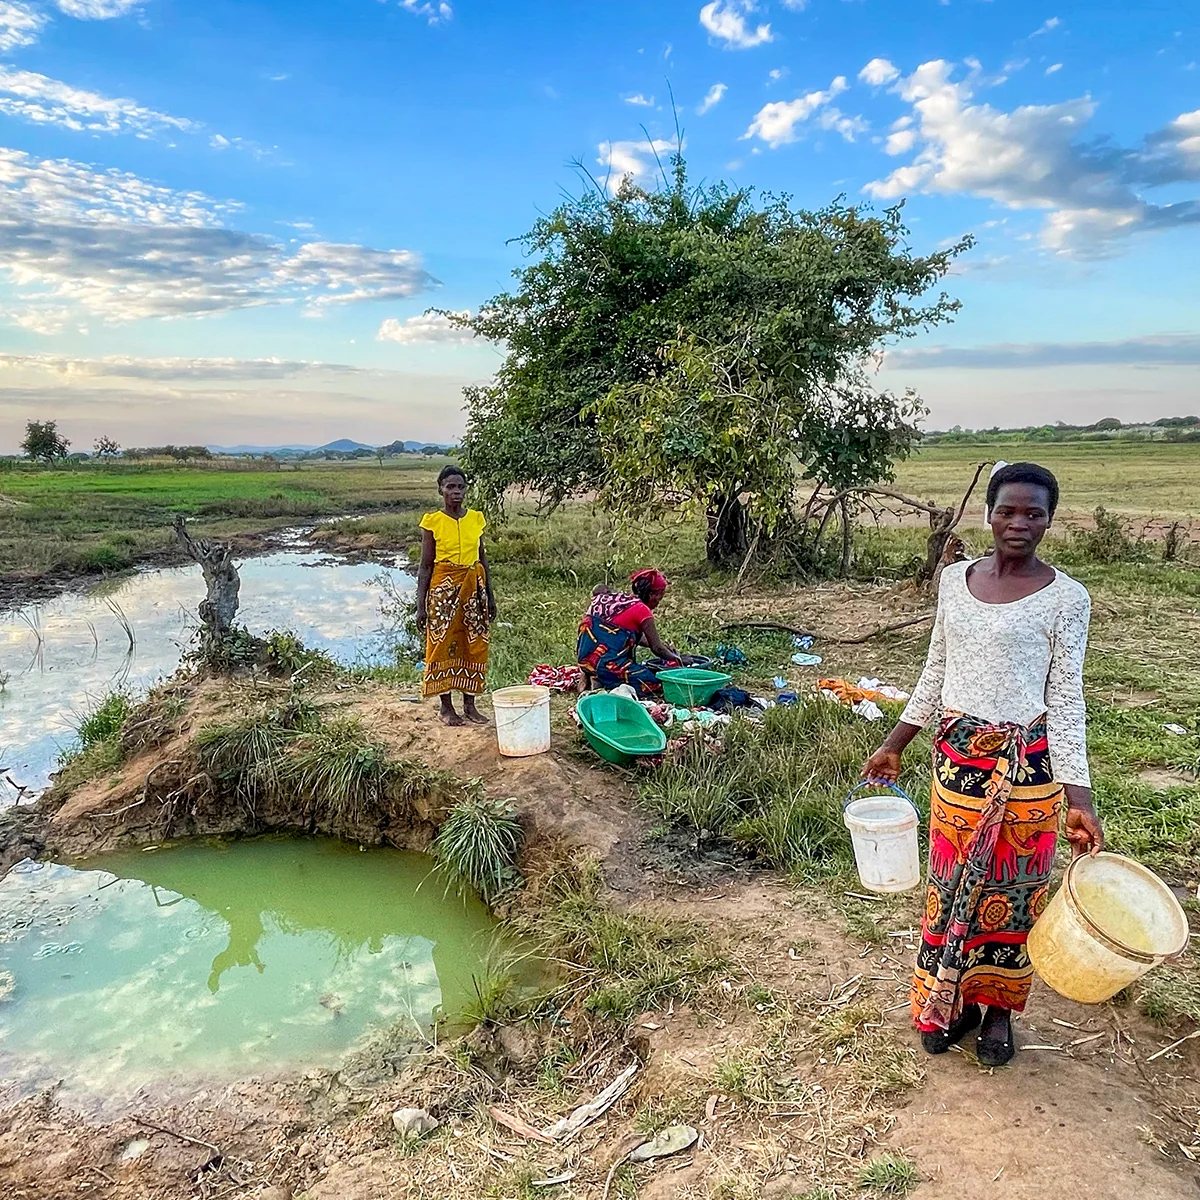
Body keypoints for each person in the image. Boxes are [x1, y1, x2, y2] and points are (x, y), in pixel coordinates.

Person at [861, 462, 1104, 1068]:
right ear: (988, 513)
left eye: (1034, 513)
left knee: (1014, 893)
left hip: (1030, 770)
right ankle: (952, 1001)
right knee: (949, 891)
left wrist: (1081, 799)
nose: (1019, 524)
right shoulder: (953, 582)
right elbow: (936, 670)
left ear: (1049, 519)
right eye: (1008, 510)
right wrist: (895, 742)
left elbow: (1066, 698)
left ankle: (998, 1012)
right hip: (957, 764)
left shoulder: (1068, 599)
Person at [415, 465, 496, 727]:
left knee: (474, 644)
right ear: (440, 489)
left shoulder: (476, 519)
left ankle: (470, 705)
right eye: (450, 487)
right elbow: (425, 566)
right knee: (442, 645)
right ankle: (446, 707)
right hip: (443, 591)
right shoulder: (433, 522)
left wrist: (490, 596)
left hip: (474, 590)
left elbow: (482, 558)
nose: (456, 492)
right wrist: (421, 606)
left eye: (461, 487)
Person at [577, 569, 680, 697]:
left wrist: (665, 647)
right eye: (661, 594)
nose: (660, 600)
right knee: (653, 682)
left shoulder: (616, 602)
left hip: (585, 661)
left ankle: (594, 677)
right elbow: (657, 648)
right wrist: (679, 660)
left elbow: (623, 633)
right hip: (606, 665)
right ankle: (606, 680)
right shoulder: (642, 610)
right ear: (653, 594)